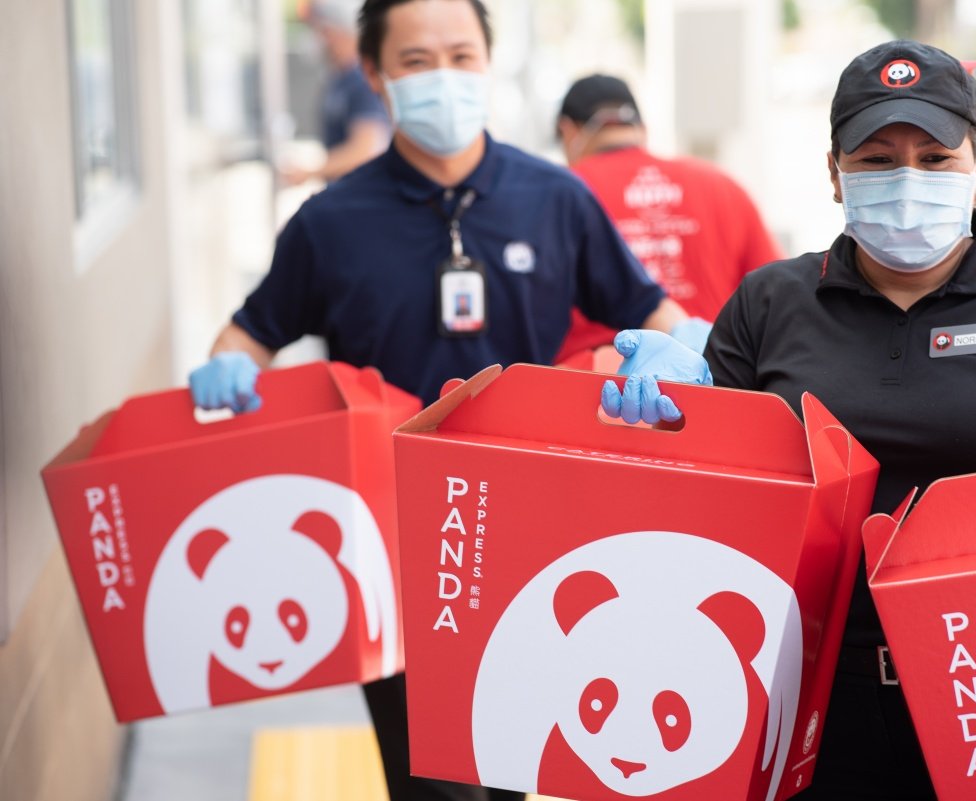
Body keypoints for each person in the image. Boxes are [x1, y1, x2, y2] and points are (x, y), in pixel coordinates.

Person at [602, 40, 976, 799]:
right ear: (834, 174)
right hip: (806, 692)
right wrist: (668, 424)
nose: (908, 179)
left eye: (935, 158)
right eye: (876, 158)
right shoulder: (770, 304)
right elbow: (706, 505)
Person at [188, 0, 695, 799]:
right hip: (391, 548)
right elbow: (248, 333)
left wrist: (688, 354)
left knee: (509, 766)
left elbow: (664, 319)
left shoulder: (554, 200)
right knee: (432, 778)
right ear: (375, 74)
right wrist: (226, 367)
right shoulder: (329, 222)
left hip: (535, 536)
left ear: (489, 63)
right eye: (418, 61)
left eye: (462, 56)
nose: (444, 78)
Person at [553, 74, 783, 362]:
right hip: (713, 379)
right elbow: (778, 302)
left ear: (568, 132)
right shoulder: (721, 186)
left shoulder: (560, 194)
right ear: (641, 128)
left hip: (592, 388)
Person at [279, 0, 392, 185]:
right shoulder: (340, 79)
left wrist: (309, 173)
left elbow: (367, 149)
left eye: (322, 30)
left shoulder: (362, 79)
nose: (318, 38)